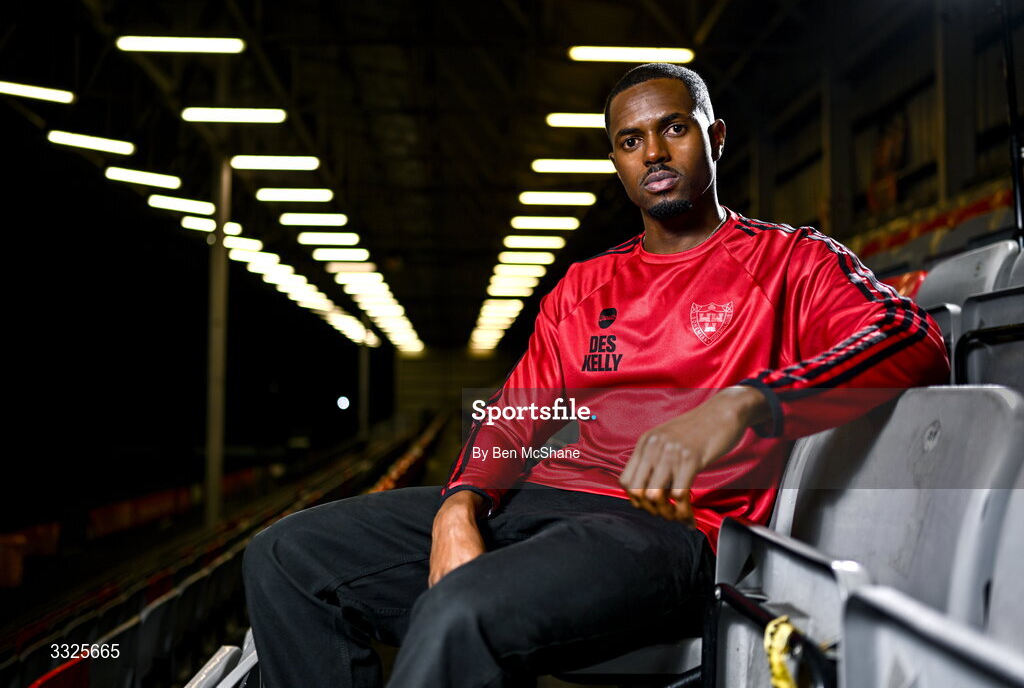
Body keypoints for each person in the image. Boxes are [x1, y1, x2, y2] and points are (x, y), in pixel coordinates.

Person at [243, 64, 948, 687]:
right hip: (542, 507)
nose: (654, 153)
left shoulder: (790, 262)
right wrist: (460, 505)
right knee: (285, 557)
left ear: (717, 137)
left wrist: (743, 404)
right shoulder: (586, 285)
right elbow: (514, 417)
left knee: (464, 611)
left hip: (667, 533)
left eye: (673, 128)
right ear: (615, 159)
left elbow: (914, 339)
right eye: (630, 141)